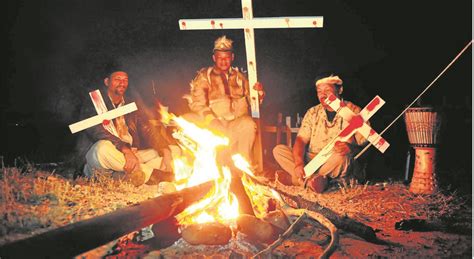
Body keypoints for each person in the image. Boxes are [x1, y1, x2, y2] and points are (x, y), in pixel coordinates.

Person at [183, 36, 265, 215]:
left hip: (235, 124)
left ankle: (244, 172)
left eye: (226, 57)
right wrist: (211, 120)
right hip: (214, 125)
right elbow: (197, 103)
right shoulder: (204, 76)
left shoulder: (240, 77)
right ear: (214, 58)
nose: (223, 61)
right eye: (219, 57)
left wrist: (258, 93)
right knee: (188, 121)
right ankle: (208, 176)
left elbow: (253, 102)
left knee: (248, 124)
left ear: (232, 58)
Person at [75, 70, 175, 186]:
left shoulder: (130, 104)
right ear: (107, 82)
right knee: (101, 149)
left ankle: (122, 177)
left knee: (171, 151)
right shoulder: (94, 102)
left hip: (127, 159)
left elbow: (147, 129)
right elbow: (97, 131)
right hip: (103, 160)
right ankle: (153, 174)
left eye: (125, 80)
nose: (122, 83)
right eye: (117, 79)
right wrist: (126, 150)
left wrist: (165, 150)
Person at [273, 75, 367, 193]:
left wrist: (351, 148)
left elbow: (366, 148)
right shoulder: (313, 112)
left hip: (333, 160)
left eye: (327, 91)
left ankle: (296, 180)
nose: (323, 95)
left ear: (340, 90)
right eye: (319, 92)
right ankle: (315, 181)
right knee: (279, 150)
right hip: (312, 158)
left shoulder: (355, 111)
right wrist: (298, 163)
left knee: (342, 158)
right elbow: (301, 141)